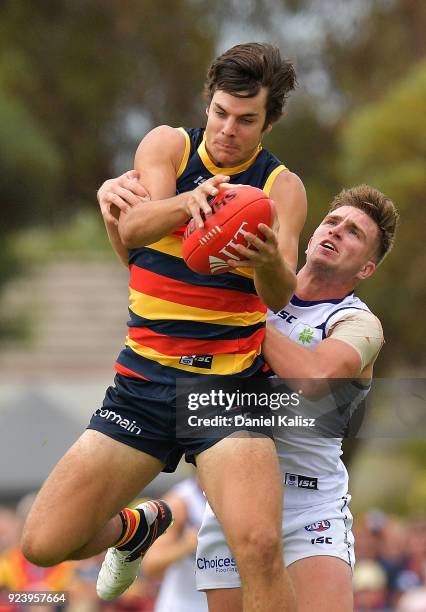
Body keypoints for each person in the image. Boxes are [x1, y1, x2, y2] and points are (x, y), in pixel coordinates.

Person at [21, 42, 307, 612]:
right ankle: (137, 528)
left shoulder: (282, 189)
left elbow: (281, 293)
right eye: (221, 112)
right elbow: (134, 228)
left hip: (226, 394)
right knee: (44, 541)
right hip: (143, 383)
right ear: (209, 102)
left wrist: (268, 256)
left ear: (268, 122)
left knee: (260, 546)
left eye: (246, 120)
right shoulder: (170, 146)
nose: (228, 129)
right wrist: (192, 201)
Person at [194, 185, 398, 612]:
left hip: (311, 508)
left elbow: (315, 377)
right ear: (311, 235)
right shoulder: (252, 289)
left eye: (354, 233)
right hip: (236, 501)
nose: (338, 231)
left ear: (366, 269)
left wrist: (242, 316)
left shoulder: (358, 323)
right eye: (332, 222)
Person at [142, 476, 208, 612]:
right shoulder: (180, 502)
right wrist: (186, 546)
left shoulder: (239, 495)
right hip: (181, 605)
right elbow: (150, 564)